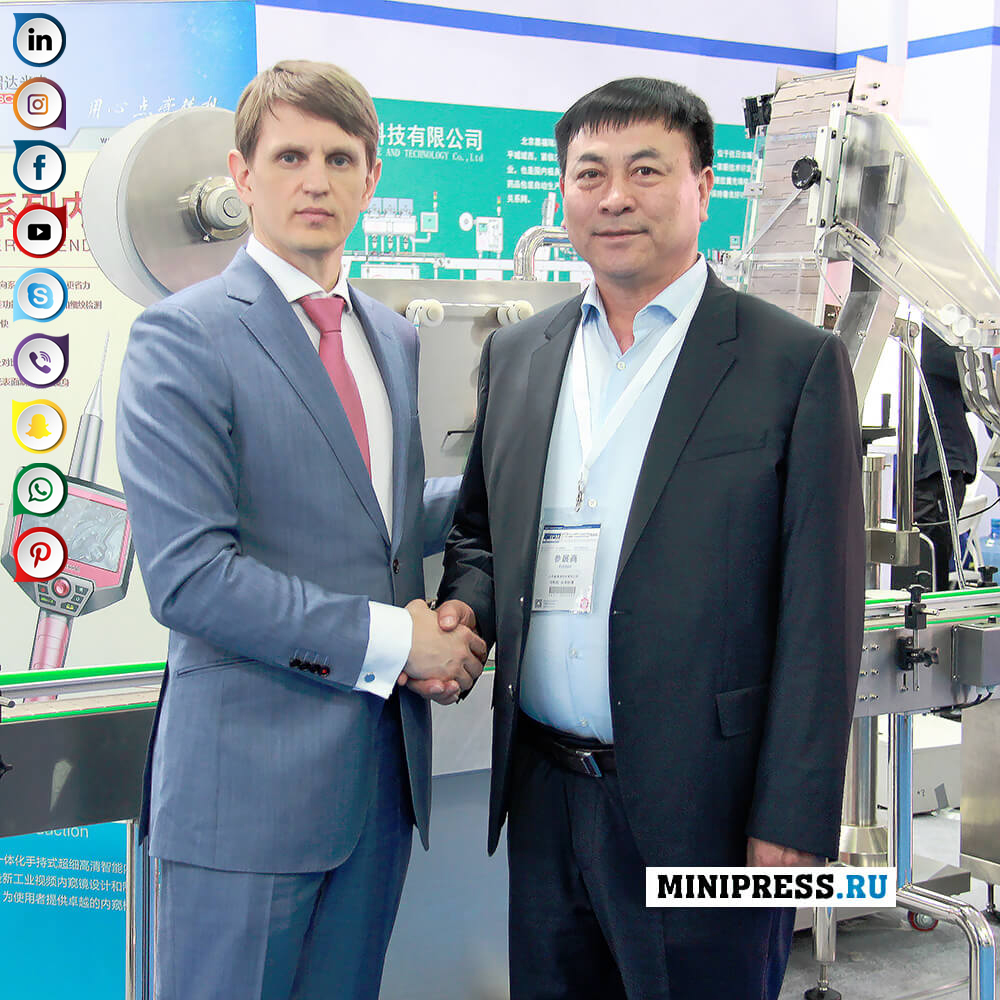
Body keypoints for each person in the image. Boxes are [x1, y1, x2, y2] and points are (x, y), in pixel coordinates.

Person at [433, 77, 865, 999]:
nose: (615, 197)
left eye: (645, 170)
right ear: (563, 193)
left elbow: (822, 615)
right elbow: (482, 533)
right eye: (590, 173)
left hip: (711, 809)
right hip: (546, 792)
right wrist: (464, 612)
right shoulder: (520, 354)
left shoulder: (792, 364)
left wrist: (793, 819)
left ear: (703, 187)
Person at [116, 60, 484, 1000]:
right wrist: (402, 640)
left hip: (378, 789)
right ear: (242, 176)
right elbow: (191, 577)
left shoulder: (393, 338)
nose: (315, 180)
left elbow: (380, 522)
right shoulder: (183, 337)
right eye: (289, 157)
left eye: (339, 158)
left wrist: (524, 488)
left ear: (371, 177)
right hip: (243, 798)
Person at [913, 326, 977, 591]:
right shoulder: (937, 348)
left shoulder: (937, 347)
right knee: (929, 547)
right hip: (938, 461)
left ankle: (932, 599)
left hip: (942, 463)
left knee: (932, 547)